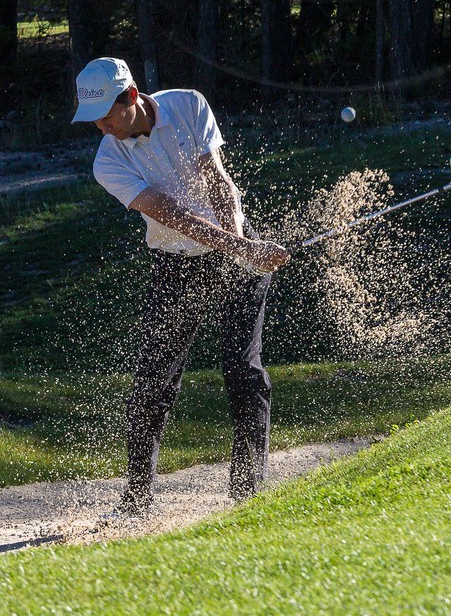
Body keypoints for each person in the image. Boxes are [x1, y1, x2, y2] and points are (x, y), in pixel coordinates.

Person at [72, 57, 290, 513]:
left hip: (234, 243)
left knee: (242, 368)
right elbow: (170, 213)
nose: (103, 128)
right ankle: (136, 501)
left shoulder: (189, 105)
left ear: (132, 96)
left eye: (108, 116)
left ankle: (248, 494)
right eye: (94, 120)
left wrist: (239, 247)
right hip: (176, 263)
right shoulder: (108, 161)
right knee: (154, 379)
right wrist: (239, 247)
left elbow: (217, 182)